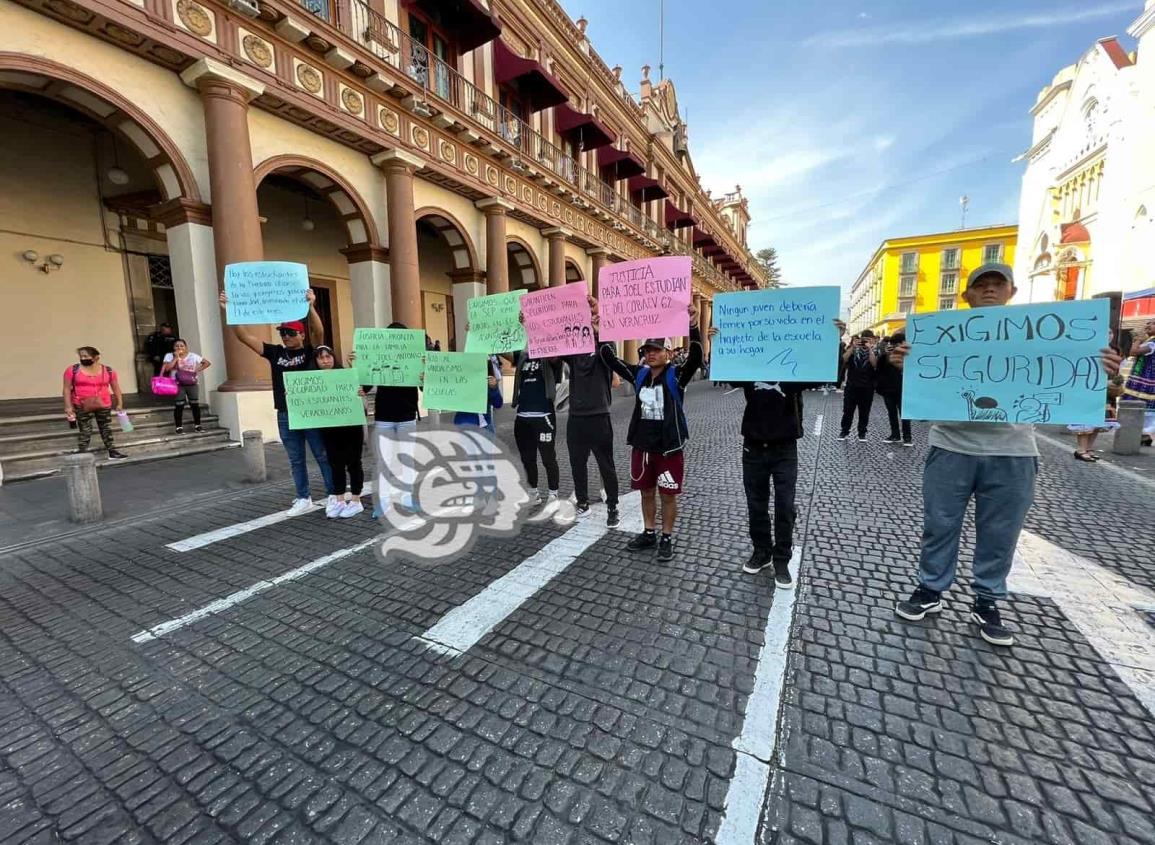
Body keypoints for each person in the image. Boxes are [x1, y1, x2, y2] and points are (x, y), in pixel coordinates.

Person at [888, 263, 1121, 646]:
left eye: (999, 284)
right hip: (951, 446)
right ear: (968, 296)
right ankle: (930, 590)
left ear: (1011, 292)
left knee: (1001, 533)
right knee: (939, 525)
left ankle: (987, 599)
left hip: (1014, 452)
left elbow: (1095, 391)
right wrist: (902, 367)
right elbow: (916, 392)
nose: (991, 290)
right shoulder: (939, 339)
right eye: (983, 285)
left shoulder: (1041, 337)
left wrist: (1105, 375)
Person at [597, 302, 701, 562]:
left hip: (669, 448)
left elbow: (697, 357)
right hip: (642, 448)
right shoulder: (640, 375)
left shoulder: (676, 376)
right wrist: (601, 332)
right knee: (645, 492)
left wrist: (694, 327)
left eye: (656, 349)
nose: (651, 354)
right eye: (647, 350)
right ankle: (649, 532)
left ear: (667, 352)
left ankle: (666, 537)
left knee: (667, 494)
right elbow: (611, 360)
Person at [218, 289, 336, 516]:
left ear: (301, 335)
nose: (286, 336)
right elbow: (244, 337)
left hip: (310, 412)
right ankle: (303, 497)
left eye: (290, 332)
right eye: (282, 332)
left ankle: (333, 493)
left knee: (321, 455)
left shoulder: (312, 352)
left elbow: (319, 330)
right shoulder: (275, 352)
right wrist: (229, 311)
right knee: (296, 459)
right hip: (285, 413)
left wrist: (311, 306)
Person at [353, 321, 421, 515]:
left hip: (407, 416)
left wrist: (426, 374)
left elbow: (426, 387)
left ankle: (408, 498)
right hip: (384, 416)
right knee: (384, 460)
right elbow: (364, 385)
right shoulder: (377, 358)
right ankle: (382, 502)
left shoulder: (414, 359)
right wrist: (356, 369)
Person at [563, 296, 620, 526]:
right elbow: (550, 347)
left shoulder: (605, 349)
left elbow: (612, 353)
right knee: (577, 463)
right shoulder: (574, 349)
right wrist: (530, 327)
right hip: (576, 417)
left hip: (599, 416)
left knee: (606, 464)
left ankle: (613, 507)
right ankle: (583, 502)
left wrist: (600, 325)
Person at [314, 346, 365, 517]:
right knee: (335, 464)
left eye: (328, 357)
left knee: (354, 462)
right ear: (316, 361)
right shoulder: (312, 380)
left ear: (334, 357)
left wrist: (360, 390)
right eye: (321, 358)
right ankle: (340, 500)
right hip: (329, 428)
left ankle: (356, 500)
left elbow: (364, 386)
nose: (325, 361)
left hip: (351, 426)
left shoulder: (346, 374)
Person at [509, 348, 565, 505]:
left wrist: (547, 341)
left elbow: (556, 357)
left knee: (548, 458)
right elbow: (500, 348)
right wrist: (477, 334)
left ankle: (553, 493)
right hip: (522, 416)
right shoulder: (522, 355)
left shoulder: (550, 356)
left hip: (544, 416)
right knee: (527, 459)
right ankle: (533, 492)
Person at [63, 346, 127, 459]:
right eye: (81, 356)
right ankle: (82, 452)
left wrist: (119, 403)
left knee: (105, 427)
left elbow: (116, 388)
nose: (83, 358)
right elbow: (66, 388)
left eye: (86, 356)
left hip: (103, 403)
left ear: (96, 358)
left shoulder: (108, 371)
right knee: (85, 429)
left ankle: (112, 450)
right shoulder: (72, 370)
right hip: (81, 403)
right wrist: (68, 406)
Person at [160, 339, 210, 434]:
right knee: (179, 405)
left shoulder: (193, 356)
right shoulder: (169, 356)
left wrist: (197, 369)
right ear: (173, 347)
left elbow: (207, 363)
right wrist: (176, 357)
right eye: (177, 346)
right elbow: (167, 368)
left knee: (194, 404)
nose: (179, 347)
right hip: (178, 384)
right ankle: (179, 427)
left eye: (182, 346)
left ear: (186, 347)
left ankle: (198, 425)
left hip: (192, 383)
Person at [839, 330, 878, 441]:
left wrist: (870, 348)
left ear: (872, 340)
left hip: (867, 387)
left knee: (864, 411)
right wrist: (852, 347)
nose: (865, 341)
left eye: (868, 339)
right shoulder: (853, 350)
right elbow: (843, 359)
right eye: (863, 339)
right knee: (847, 410)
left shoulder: (875, 351)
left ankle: (862, 432)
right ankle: (844, 431)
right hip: (852, 386)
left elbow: (875, 364)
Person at [1122, 318, 1155, 446]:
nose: (1149, 325)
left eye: (1153, 323)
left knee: (1139, 405)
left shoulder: (1152, 343)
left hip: (1146, 381)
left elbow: (1133, 352)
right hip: (1141, 377)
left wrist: (1137, 339)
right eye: (1148, 322)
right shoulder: (1150, 340)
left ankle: (1141, 433)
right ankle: (1143, 435)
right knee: (1139, 405)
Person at [876, 331, 912, 446]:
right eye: (894, 344)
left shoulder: (908, 355)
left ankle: (907, 437)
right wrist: (885, 355)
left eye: (898, 344)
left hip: (903, 389)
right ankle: (895, 435)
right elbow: (878, 368)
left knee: (905, 414)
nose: (896, 347)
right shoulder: (886, 355)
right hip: (888, 389)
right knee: (892, 413)